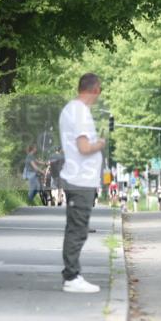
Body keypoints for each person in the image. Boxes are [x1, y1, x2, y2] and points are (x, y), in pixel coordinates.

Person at [58, 73, 105, 294]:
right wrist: (100, 144)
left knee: (76, 228)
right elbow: (84, 148)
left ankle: (72, 274)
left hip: (78, 177)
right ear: (95, 89)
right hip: (80, 179)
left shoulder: (71, 109)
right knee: (78, 229)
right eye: (100, 91)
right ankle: (72, 276)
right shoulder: (80, 113)